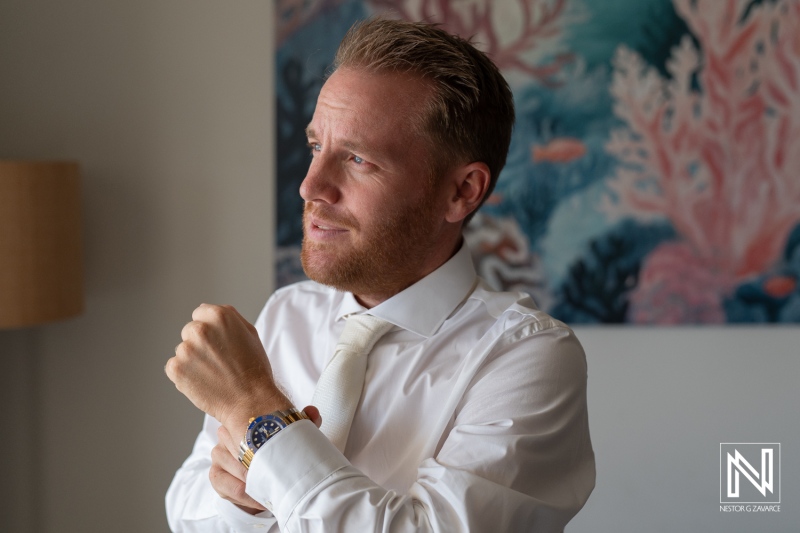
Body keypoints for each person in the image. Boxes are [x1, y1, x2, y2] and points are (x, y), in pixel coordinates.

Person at [165, 17, 594, 532]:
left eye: (358, 159)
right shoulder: (286, 315)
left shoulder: (527, 357)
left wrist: (258, 414)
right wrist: (246, 502)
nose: (310, 186)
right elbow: (188, 510)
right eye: (315, 147)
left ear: (462, 191)